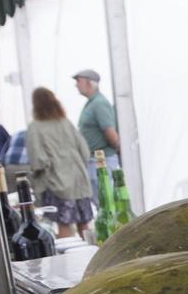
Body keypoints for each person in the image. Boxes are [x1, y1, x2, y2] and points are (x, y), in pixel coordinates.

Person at [25, 87, 95, 240]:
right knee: (84, 225)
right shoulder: (65, 122)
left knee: (63, 226)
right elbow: (84, 150)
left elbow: (37, 161)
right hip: (79, 181)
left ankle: (70, 263)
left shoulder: (35, 127)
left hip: (56, 183)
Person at [73, 69, 120, 198]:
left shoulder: (99, 104)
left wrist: (116, 151)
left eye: (78, 81)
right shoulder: (92, 103)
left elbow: (110, 132)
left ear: (89, 83)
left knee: (105, 200)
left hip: (102, 161)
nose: (76, 85)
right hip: (95, 162)